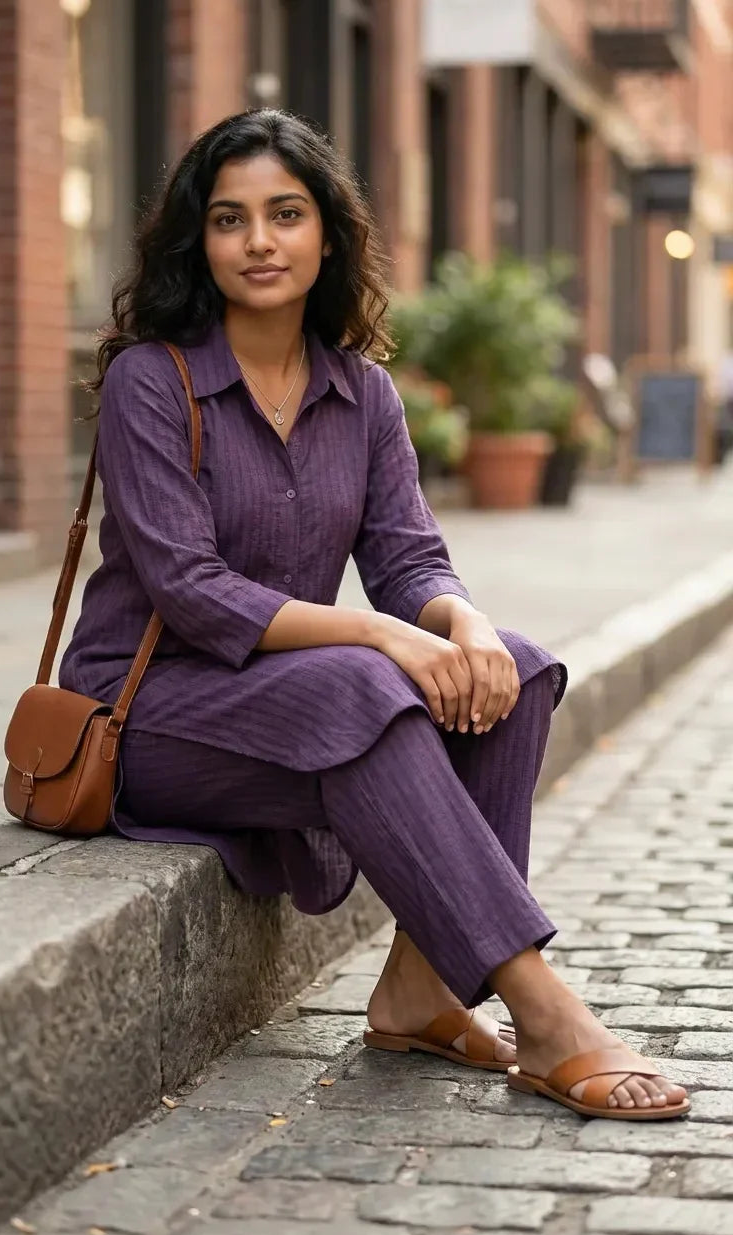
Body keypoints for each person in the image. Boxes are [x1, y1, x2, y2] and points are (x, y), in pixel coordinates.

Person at [60, 109, 688, 1121]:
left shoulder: (365, 394)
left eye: (285, 214)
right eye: (229, 219)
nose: (259, 241)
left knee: (514, 666)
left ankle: (419, 988)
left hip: (283, 702)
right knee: (362, 683)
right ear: (199, 241)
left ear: (328, 234)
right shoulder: (152, 380)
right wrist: (380, 634)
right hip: (148, 710)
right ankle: (547, 1015)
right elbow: (189, 587)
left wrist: (462, 624)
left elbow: (407, 560)